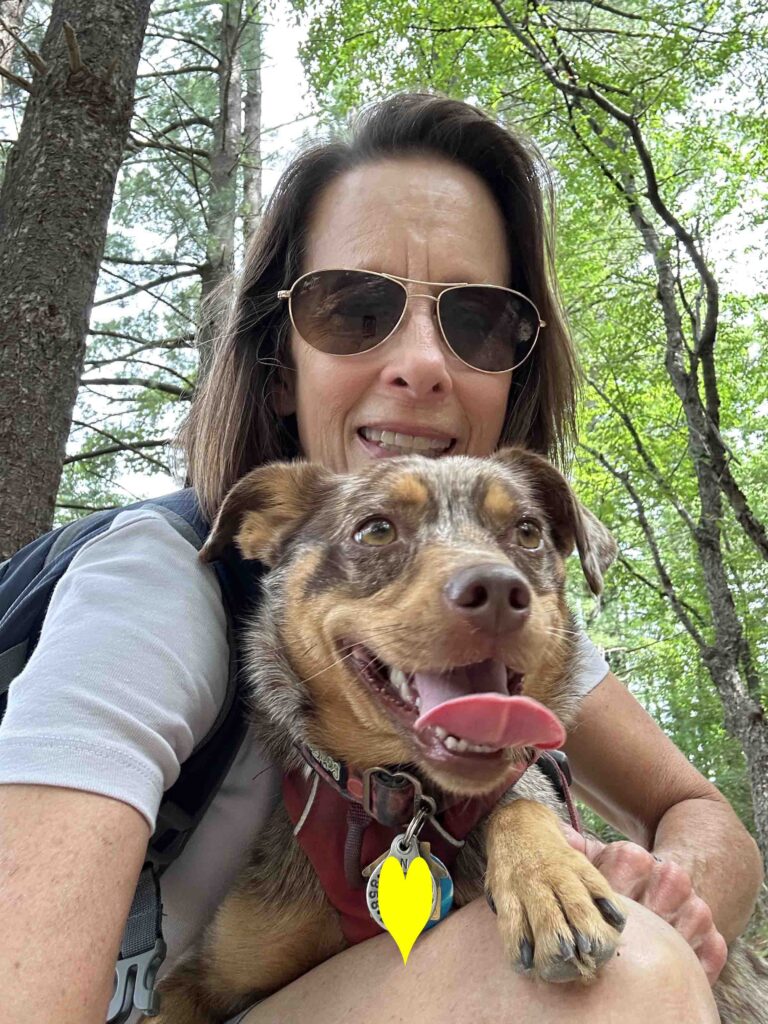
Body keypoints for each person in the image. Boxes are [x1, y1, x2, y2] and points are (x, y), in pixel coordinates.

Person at [0, 92, 761, 1024]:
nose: (423, 363)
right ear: (280, 368)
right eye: (355, 307)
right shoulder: (156, 592)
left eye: (478, 321)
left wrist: (673, 900)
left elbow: (700, 810)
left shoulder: (494, 619)